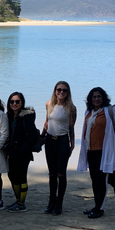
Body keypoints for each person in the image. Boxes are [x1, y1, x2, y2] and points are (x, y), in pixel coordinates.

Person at [77, 87, 115, 219]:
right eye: (94, 97)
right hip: (91, 151)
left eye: (99, 96)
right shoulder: (88, 112)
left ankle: (100, 208)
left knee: (101, 180)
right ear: (90, 99)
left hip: (103, 152)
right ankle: (96, 205)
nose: (97, 99)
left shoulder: (110, 111)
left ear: (103, 98)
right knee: (94, 180)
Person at [43, 81, 78, 215]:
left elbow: (71, 127)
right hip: (50, 140)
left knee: (61, 174)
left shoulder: (71, 108)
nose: (61, 92)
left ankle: (59, 203)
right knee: (52, 174)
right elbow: (47, 122)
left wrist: (72, 143)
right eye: (59, 90)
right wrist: (42, 136)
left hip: (63, 141)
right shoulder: (49, 104)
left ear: (68, 92)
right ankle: (51, 201)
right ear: (55, 91)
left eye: (64, 90)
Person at [5, 92, 38, 212]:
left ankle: (21, 204)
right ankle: (18, 200)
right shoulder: (9, 116)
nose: (14, 104)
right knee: (12, 176)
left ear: (22, 102)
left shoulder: (26, 117)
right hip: (12, 152)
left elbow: (33, 136)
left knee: (21, 177)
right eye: (12, 102)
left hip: (22, 153)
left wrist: (22, 149)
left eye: (17, 101)